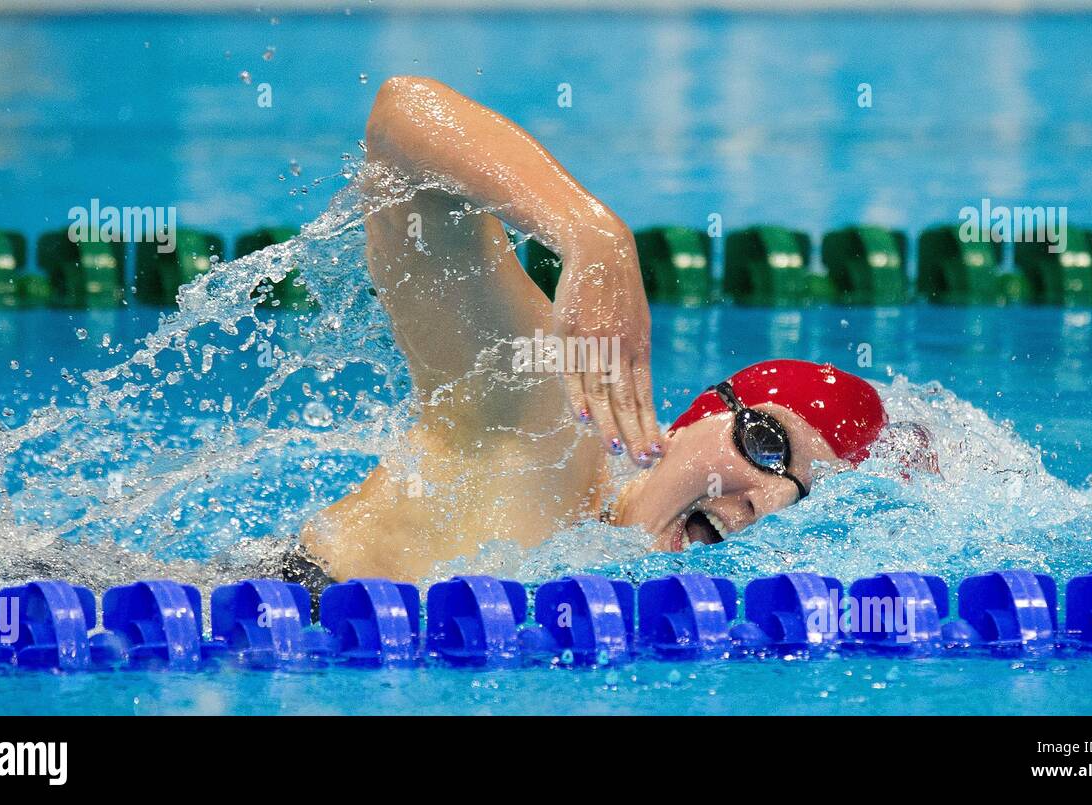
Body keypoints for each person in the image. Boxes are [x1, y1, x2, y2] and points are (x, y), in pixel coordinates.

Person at [281, 77, 894, 592]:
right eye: (767, 445)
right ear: (689, 421)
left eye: (805, 498)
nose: (771, 502)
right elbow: (402, 118)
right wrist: (595, 236)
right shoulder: (535, 426)